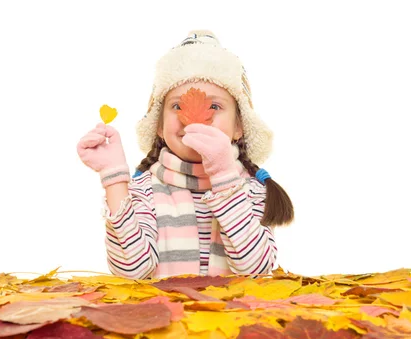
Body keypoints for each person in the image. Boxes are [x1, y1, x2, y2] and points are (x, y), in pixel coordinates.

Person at [77, 30, 294, 280]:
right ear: (159, 126)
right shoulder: (143, 190)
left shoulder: (253, 191)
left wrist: (224, 176)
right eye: (177, 106)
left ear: (238, 127)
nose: (192, 118)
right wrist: (113, 178)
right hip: (162, 317)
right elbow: (131, 272)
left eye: (214, 106)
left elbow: (255, 270)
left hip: (232, 317)